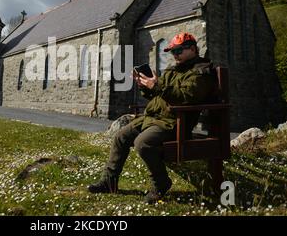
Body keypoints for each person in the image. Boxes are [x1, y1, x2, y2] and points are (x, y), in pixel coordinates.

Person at [87, 32, 218, 204]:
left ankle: (160, 184)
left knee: (143, 143)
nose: (175, 55)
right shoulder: (173, 71)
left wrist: (156, 85)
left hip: (175, 122)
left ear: (193, 49)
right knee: (121, 136)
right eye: (173, 52)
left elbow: (187, 96)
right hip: (154, 118)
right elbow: (158, 96)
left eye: (179, 50)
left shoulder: (201, 71)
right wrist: (146, 87)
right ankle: (108, 182)